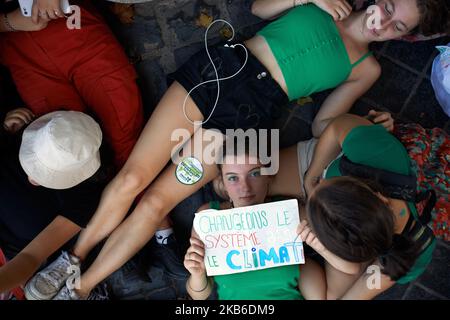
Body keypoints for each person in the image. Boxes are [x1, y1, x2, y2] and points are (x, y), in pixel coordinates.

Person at [26, 0, 447, 299]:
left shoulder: (366, 67)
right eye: (389, 8)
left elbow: (324, 124)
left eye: (398, 27)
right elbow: (260, 9)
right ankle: (72, 257)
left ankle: (80, 288)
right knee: (133, 177)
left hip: (247, 118)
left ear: (406, 38)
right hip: (224, 71)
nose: (384, 23)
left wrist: (373, 123)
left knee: (156, 201)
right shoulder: (325, 2)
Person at [265, 113, 437, 299]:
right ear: (377, 194)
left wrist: (323, 249)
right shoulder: (378, 154)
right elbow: (336, 127)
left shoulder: (409, 253)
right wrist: (312, 176)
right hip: (323, 162)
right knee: (249, 178)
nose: (319, 185)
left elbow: (356, 295)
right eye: (334, 181)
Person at [0, 0, 144, 168]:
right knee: (61, 146)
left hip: (71, 28)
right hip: (21, 54)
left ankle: (136, 184)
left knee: (123, 123)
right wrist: (8, 22)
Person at [0, 110, 112, 299]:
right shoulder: (15, 137)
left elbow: (31, 257)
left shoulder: (83, 197)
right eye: (32, 161)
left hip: (14, 260)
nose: (32, 177)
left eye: (47, 174)